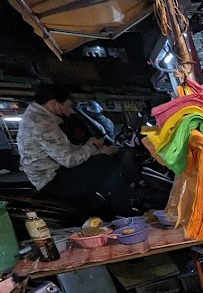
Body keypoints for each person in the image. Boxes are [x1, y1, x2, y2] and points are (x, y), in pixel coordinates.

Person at [17, 84, 140, 217]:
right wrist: (93, 146)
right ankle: (127, 215)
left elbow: (66, 150)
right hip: (52, 181)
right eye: (69, 106)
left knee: (104, 161)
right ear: (54, 104)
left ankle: (112, 210)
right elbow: (69, 160)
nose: (72, 111)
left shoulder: (37, 118)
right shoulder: (42, 124)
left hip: (55, 174)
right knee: (113, 163)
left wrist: (97, 151)